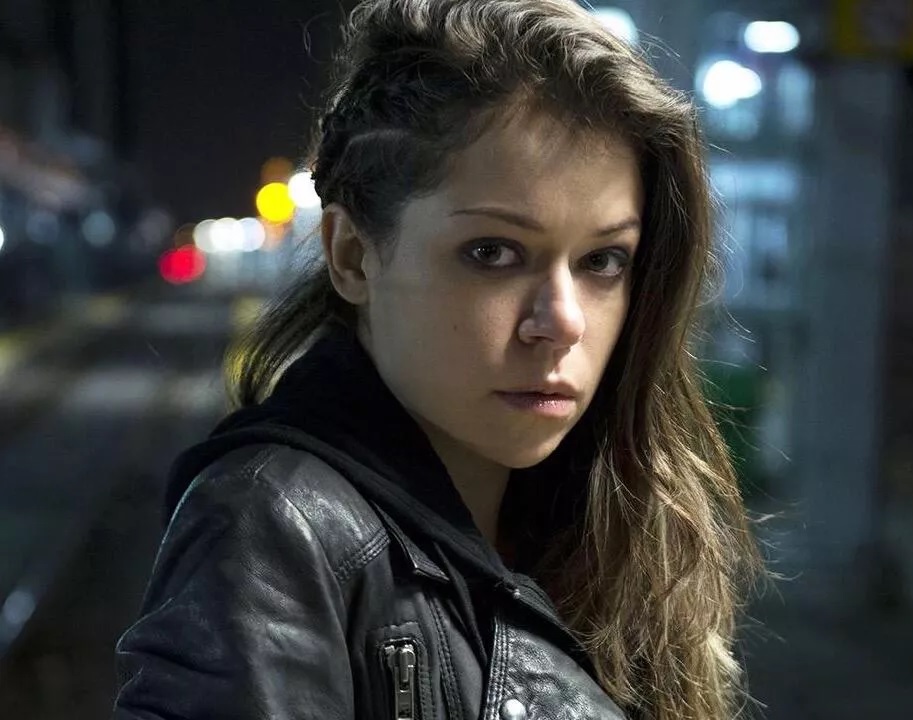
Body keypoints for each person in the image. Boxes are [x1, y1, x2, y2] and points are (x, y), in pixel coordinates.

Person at [111, 1, 763, 719]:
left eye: (603, 260)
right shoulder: (273, 529)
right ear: (352, 256)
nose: (563, 321)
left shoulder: (610, 523)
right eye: (493, 252)